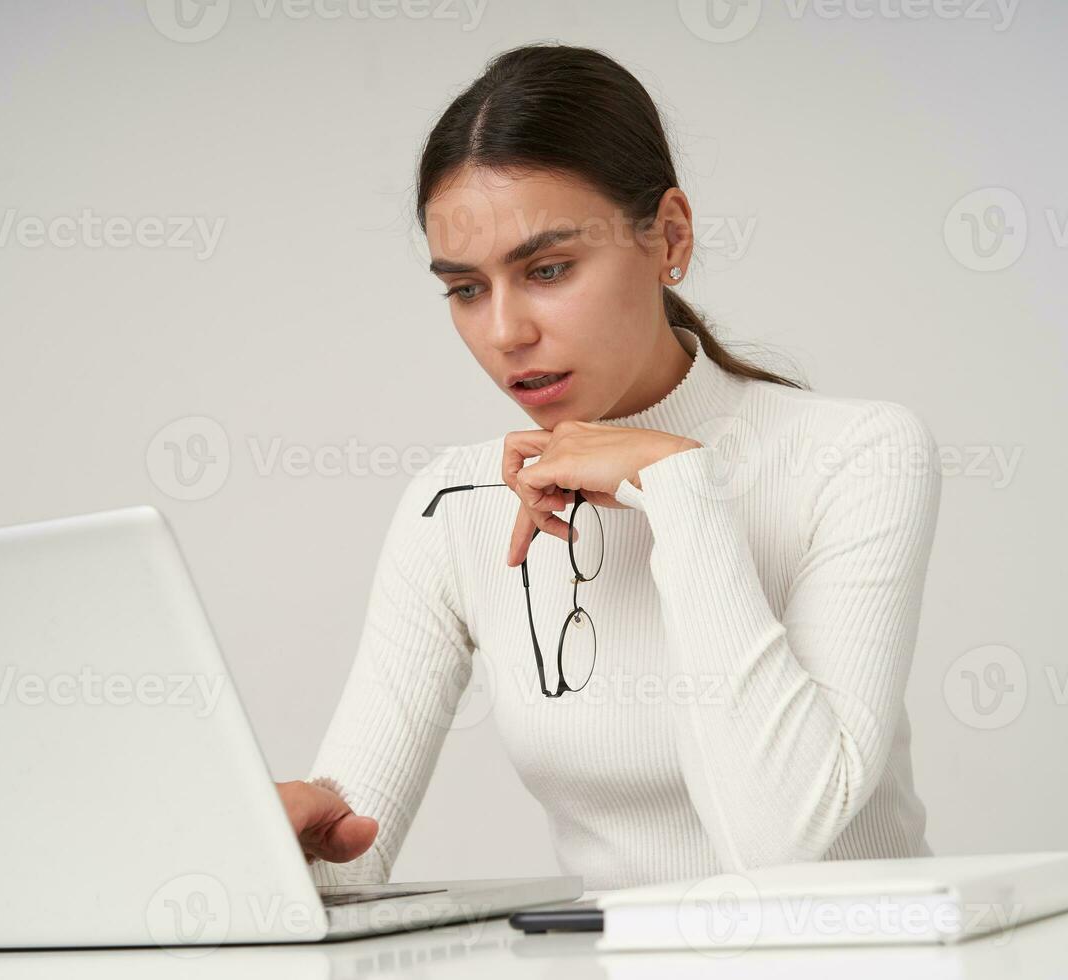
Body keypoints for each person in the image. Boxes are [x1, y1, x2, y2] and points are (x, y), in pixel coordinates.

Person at [275, 42, 941, 892]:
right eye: (466, 289)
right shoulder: (455, 504)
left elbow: (778, 849)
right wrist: (282, 846)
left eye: (547, 270)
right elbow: (349, 860)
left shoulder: (858, 455)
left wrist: (681, 491)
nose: (506, 333)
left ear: (669, 236)